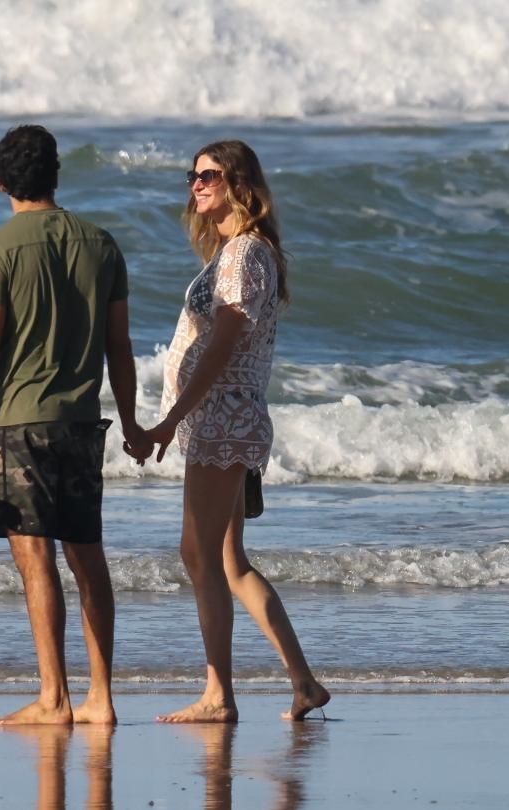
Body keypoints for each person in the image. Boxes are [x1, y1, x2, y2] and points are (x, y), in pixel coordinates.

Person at [0, 125, 149, 726]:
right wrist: (131, 424)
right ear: (56, 175)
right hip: (82, 423)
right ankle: (101, 699)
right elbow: (119, 348)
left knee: (36, 562)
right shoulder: (102, 245)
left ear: (0, 183)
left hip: (21, 426)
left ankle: (54, 699)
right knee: (88, 557)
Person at [139, 140, 330, 723]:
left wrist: (171, 420)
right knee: (228, 562)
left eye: (208, 175)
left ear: (239, 182)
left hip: (223, 415)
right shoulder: (234, 251)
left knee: (197, 552)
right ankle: (304, 683)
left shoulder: (245, 253)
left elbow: (222, 345)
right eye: (191, 176)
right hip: (223, 416)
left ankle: (218, 694)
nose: (196, 185)